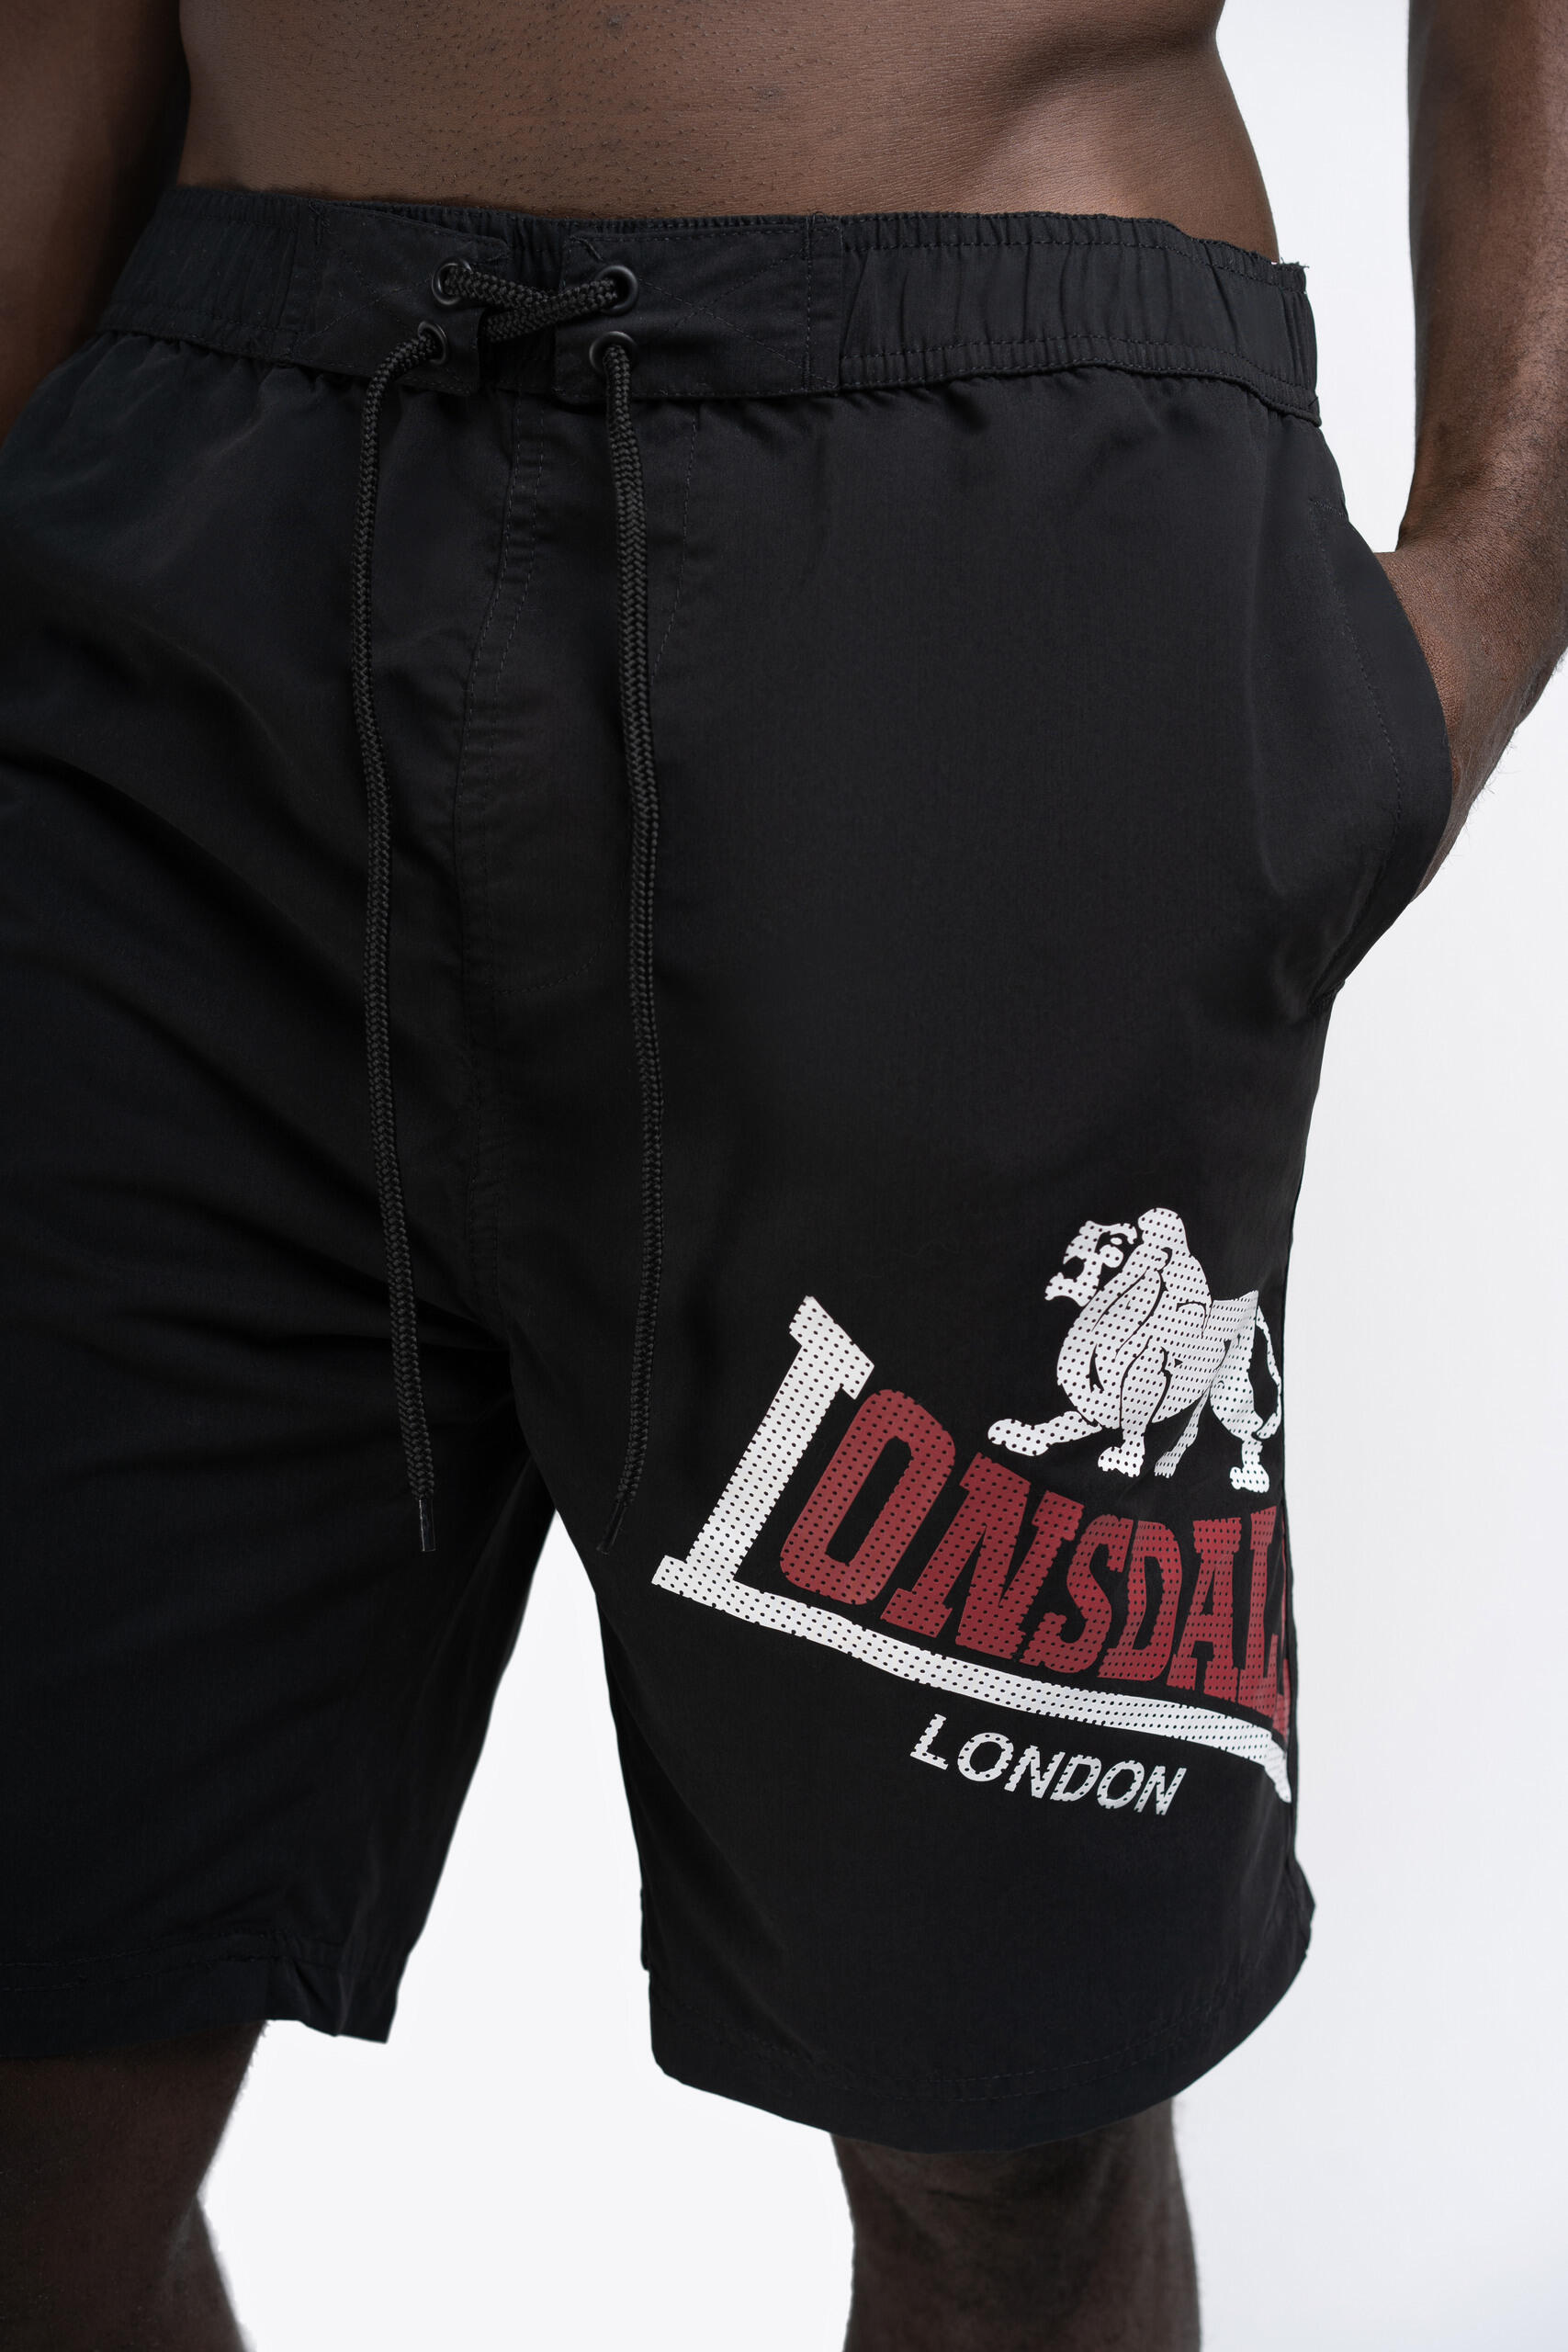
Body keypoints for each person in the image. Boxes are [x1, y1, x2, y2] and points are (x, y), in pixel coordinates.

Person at [0, 0, 1562, 2343]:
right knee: (33, 2028)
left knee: (996, 2129)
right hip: (201, 518)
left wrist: (1487, 583)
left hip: (983, 503)